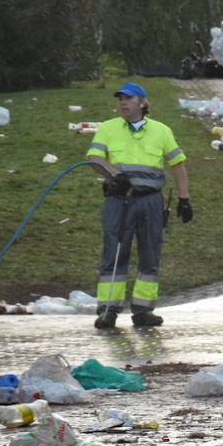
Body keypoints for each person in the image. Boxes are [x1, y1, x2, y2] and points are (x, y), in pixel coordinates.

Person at [85, 82, 191, 329]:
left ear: (142, 102)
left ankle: (143, 311)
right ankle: (108, 311)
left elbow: (178, 164)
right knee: (114, 253)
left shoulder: (162, 131)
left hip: (151, 201)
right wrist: (114, 174)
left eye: (128, 98)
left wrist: (184, 199)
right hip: (119, 201)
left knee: (150, 254)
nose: (123, 102)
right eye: (120, 98)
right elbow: (94, 158)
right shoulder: (109, 128)